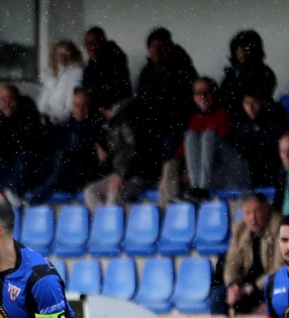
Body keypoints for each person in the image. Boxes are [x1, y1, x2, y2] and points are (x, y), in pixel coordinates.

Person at [182, 76, 250, 200]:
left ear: (215, 94)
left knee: (209, 135)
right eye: (198, 93)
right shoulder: (195, 118)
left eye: (207, 92)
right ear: (194, 98)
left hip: (233, 174)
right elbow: (187, 148)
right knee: (190, 135)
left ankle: (202, 189)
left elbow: (214, 146)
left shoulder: (225, 113)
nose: (203, 97)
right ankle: (196, 188)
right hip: (214, 177)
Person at [217, 192, 283, 315]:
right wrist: (233, 285)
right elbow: (232, 262)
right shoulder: (240, 229)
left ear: (267, 210)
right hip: (246, 285)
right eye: (247, 213)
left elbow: (280, 268)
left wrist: (250, 288)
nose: (252, 218)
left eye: (257, 212)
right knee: (218, 296)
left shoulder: (279, 226)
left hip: (269, 285)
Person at [136, 27, 197, 158]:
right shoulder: (146, 72)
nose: (157, 50)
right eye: (153, 46)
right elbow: (140, 101)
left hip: (174, 127)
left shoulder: (183, 69)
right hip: (151, 127)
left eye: (160, 45)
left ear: (169, 47)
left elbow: (188, 101)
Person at [218, 29, 278, 120]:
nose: (241, 52)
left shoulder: (264, 72)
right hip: (232, 120)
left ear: (254, 50)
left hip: (257, 120)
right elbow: (223, 96)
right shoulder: (232, 73)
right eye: (238, 48)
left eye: (245, 48)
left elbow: (259, 98)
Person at [81, 26, 132, 116]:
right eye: (88, 44)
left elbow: (121, 93)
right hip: (97, 113)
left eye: (95, 43)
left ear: (103, 41)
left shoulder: (117, 62)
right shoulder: (89, 68)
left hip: (117, 114)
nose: (92, 48)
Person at [37, 40, 85, 125]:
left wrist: (52, 119)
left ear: (73, 55)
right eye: (60, 54)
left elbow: (70, 107)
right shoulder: (49, 75)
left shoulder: (76, 74)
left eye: (67, 54)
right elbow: (42, 103)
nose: (63, 58)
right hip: (46, 121)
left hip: (63, 123)